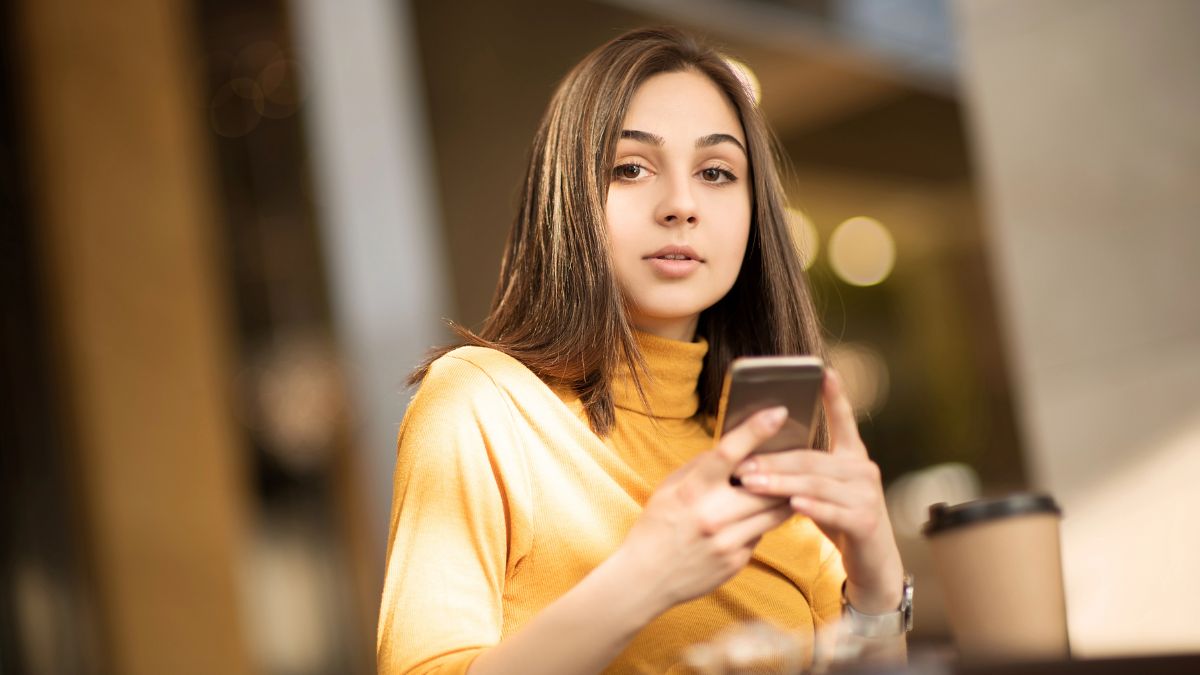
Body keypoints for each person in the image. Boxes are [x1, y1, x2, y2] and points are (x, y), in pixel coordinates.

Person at [377, 26, 909, 674]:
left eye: (716, 172)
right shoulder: (483, 403)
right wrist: (647, 574)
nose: (681, 204)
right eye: (631, 167)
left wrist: (877, 582)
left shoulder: (762, 457)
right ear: (568, 195)